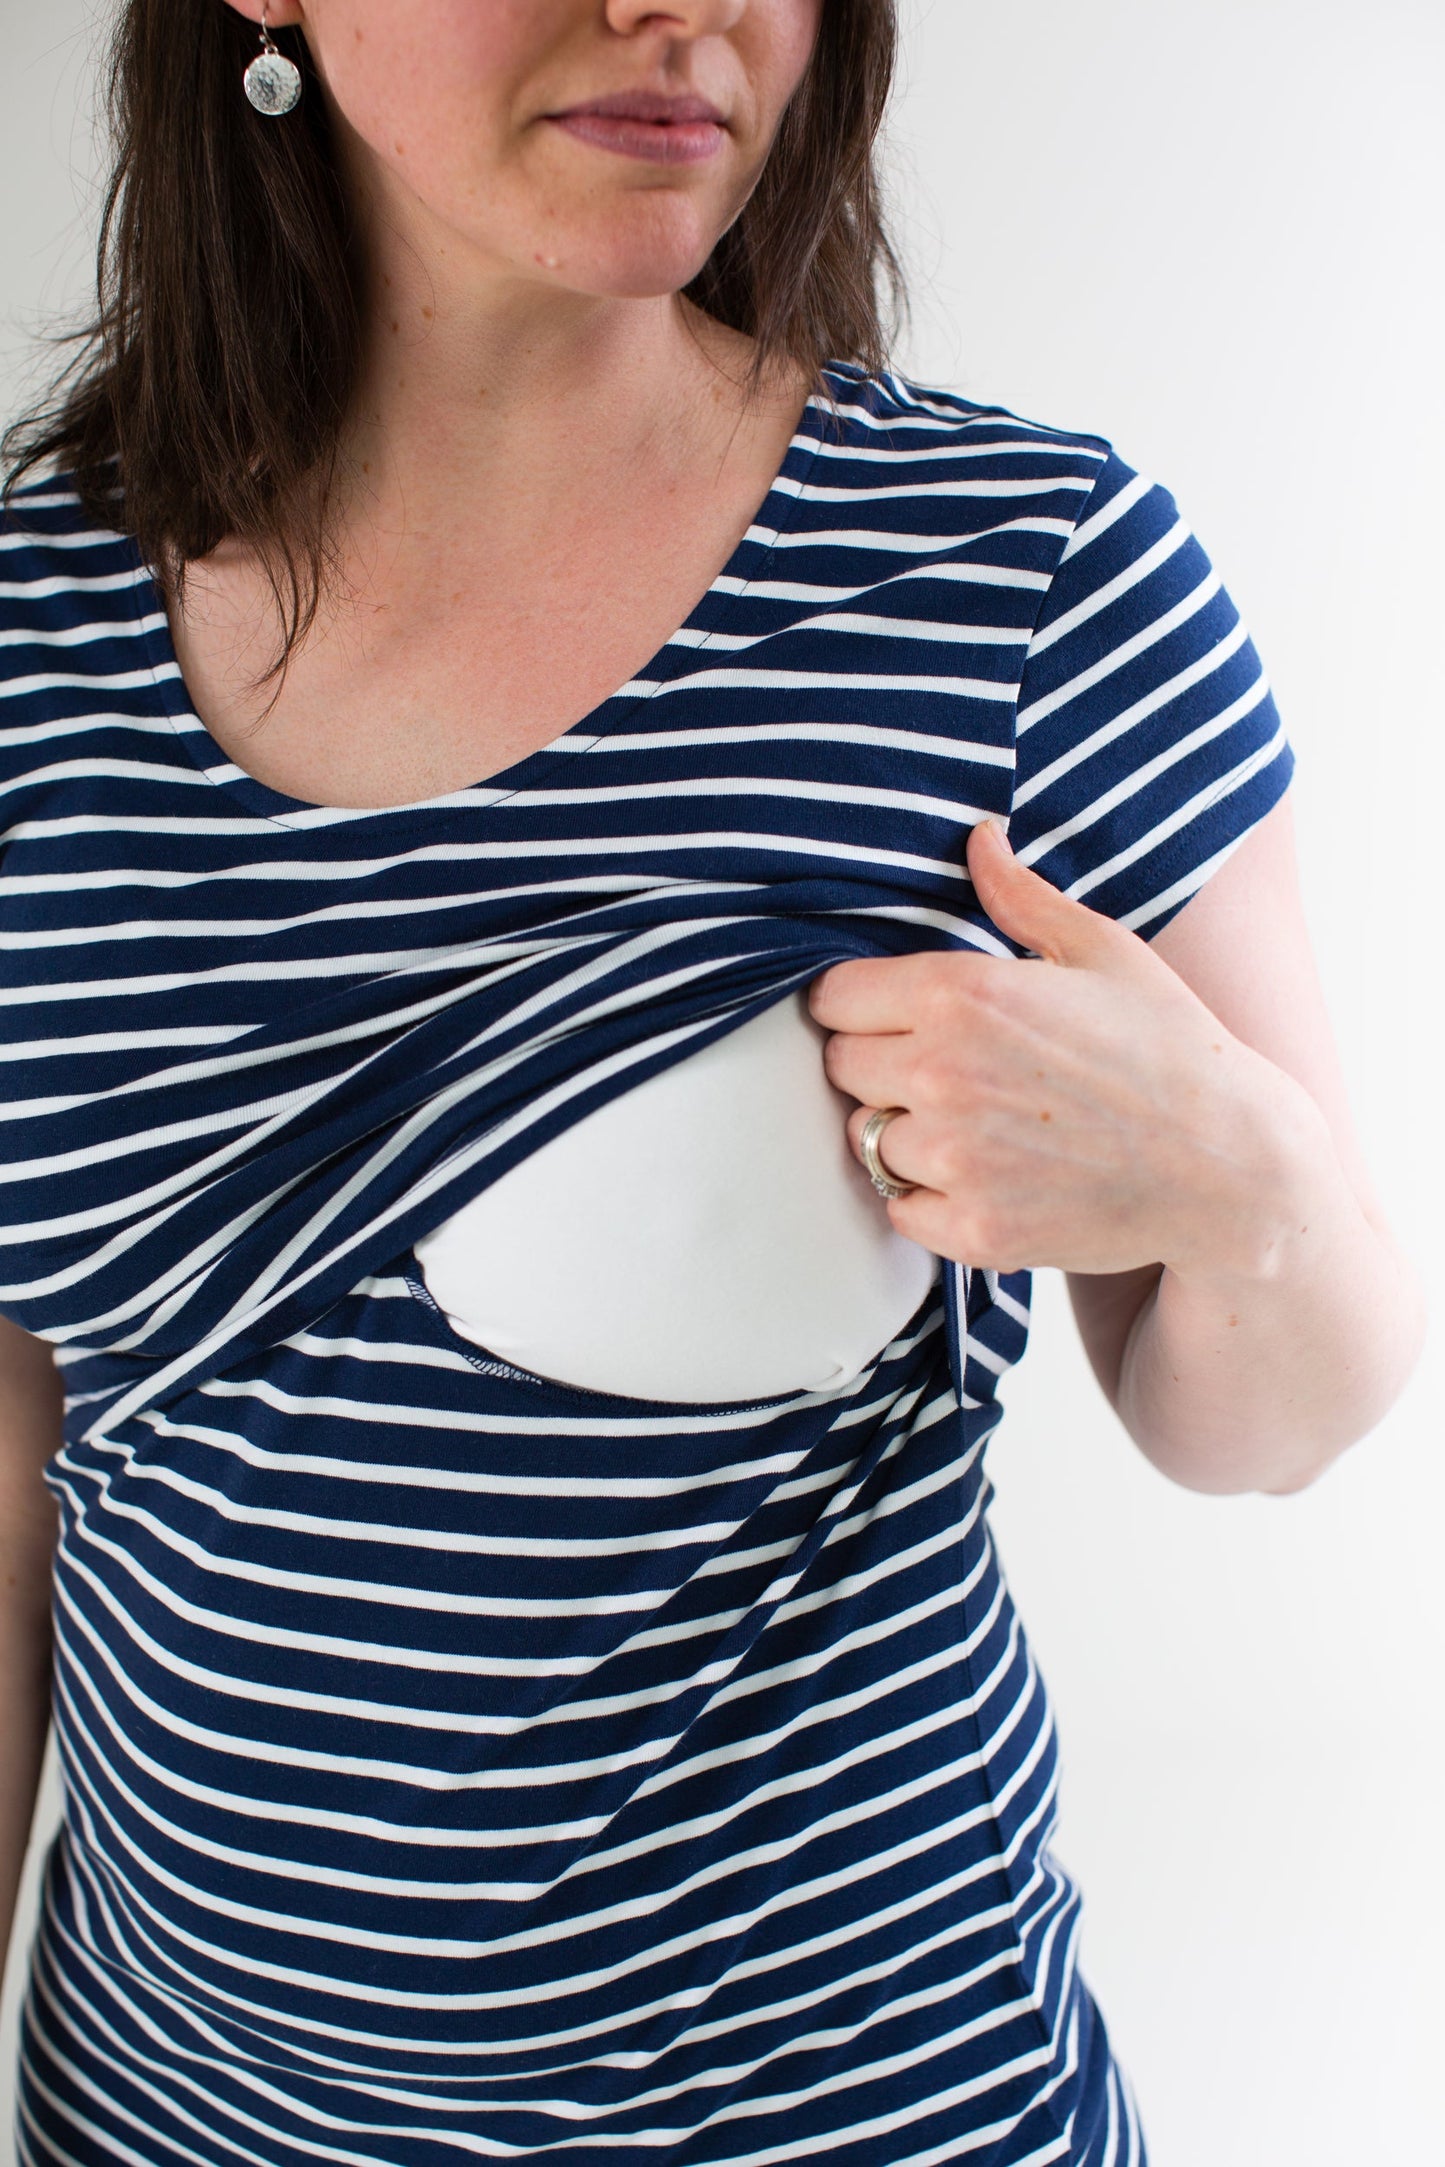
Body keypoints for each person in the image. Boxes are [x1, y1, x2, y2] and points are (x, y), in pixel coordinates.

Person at [0, 0, 1423, 2161]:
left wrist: (1241, 1186)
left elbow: (1275, 1418)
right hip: (175, 2118)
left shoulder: (1013, 583)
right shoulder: (31, 642)